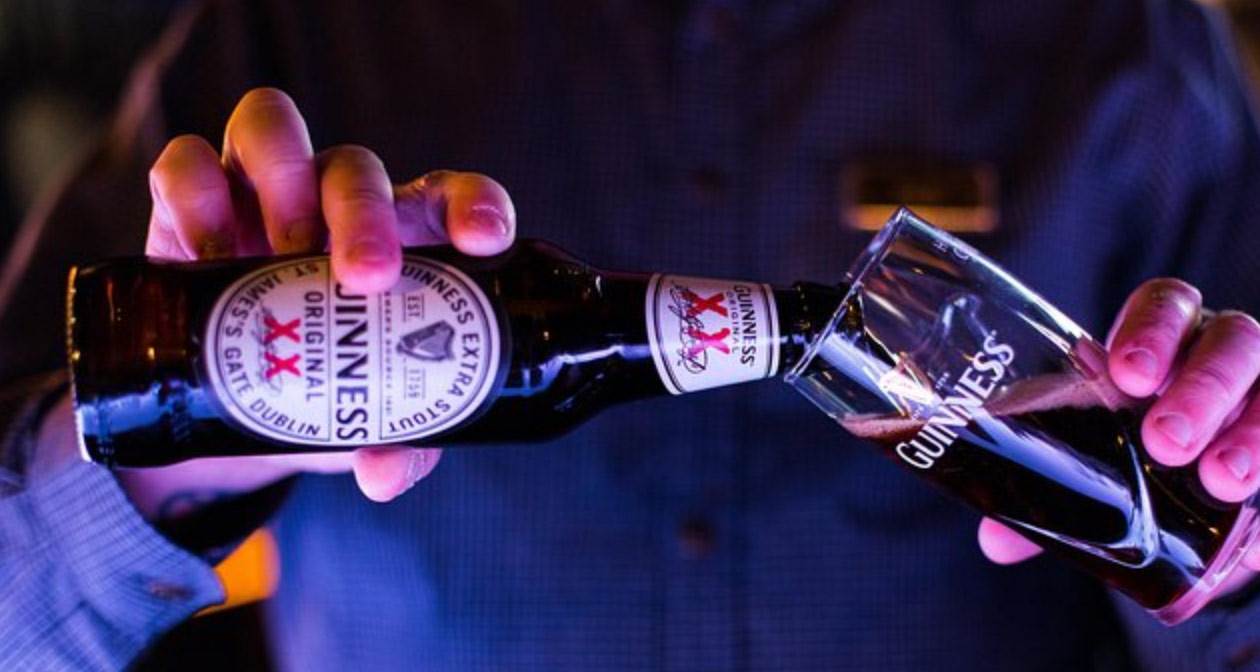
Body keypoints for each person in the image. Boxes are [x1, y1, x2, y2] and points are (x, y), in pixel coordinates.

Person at [4, 0, 1260, 669]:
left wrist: (1235, 518)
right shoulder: (307, 27)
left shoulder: (1119, 45)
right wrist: (176, 443)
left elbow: (1227, 579)